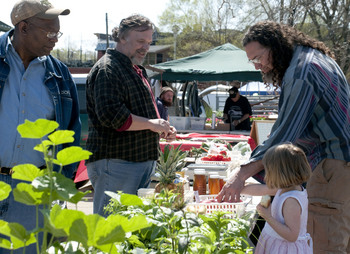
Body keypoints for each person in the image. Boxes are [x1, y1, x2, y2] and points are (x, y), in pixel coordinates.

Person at [217, 20, 350, 253]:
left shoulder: (301, 73)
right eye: (252, 61)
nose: (258, 66)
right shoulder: (312, 57)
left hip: (332, 166)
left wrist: (242, 173)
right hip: (338, 164)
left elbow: (284, 136)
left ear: (275, 46)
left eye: (259, 58)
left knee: (324, 242)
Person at [0, 0, 81, 253]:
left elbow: (70, 133)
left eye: (58, 32)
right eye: (50, 32)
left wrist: (60, 183)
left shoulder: (60, 74)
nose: (55, 39)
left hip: (32, 191)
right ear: (23, 28)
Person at [86, 14, 177, 216]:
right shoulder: (108, 69)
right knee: (111, 231)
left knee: (128, 231)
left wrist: (161, 126)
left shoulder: (135, 69)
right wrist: (153, 124)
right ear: (122, 38)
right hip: (117, 163)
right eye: (140, 41)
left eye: (149, 42)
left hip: (134, 162)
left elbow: (143, 115)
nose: (145, 47)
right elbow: (113, 116)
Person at [242, 143, 313, 253]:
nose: (267, 175)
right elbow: (260, 190)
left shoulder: (291, 200)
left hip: (285, 249)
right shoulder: (286, 188)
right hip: (276, 244)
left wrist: (267, 216)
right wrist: (238, 189)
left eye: (269, 171)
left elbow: (292, 235)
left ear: (279, 173)